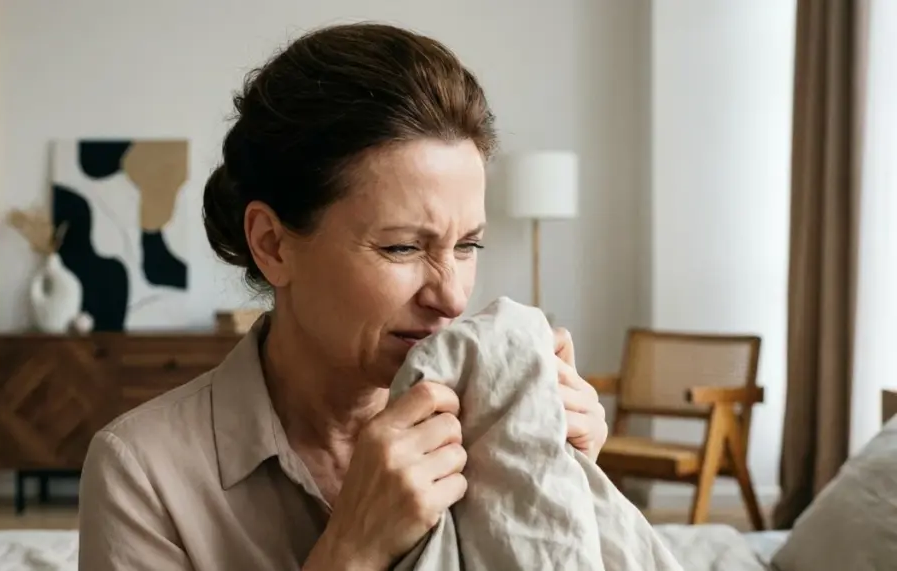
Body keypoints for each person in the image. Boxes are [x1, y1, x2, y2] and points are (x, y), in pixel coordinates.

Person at [78, 22, 607, 571]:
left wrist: (559, 483)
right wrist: (352, 550)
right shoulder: (142, 472)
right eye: (402, 247)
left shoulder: (496, 429)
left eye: (467, 245)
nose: (452, 298)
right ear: (272, 244)